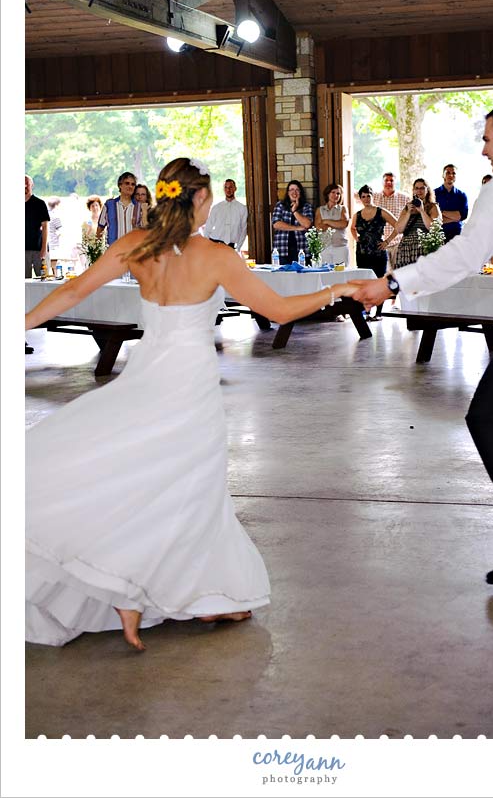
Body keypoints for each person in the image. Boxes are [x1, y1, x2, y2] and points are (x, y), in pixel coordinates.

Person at [25, 157, 358, 651]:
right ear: (199, 198)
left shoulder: (135, 245)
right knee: (189, 489)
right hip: (189, 385)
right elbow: (280, 310)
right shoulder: (216, 256)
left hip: (146, 375)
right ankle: (167, 592)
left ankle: (142, 591)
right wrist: (341, 288)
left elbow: (73, 290)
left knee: (145, 479)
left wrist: (18, 324)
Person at [351, 101, 493, 584]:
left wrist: (391, 284)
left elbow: (467, 255)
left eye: (488, 139)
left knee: (489, 418)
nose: (484, 149)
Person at [350, 184, 401, 321]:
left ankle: (378, 313)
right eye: (363, 196)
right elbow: (352, 229)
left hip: (378, 253)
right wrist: (357, 239)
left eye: (368, 196)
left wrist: (387, 241)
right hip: (362, 253)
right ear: (360, 198)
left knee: (380, 282)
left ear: (373, 196)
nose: (366, 199)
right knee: (365, 283)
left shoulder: (381, 211)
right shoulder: (357, 215)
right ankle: (366, 311)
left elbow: (398, 226)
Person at [25, 174, 50, 354]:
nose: (24, 186)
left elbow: (46, 227)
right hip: (21, 252)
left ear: (31, 185)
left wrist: (43, 250)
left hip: (37, 249)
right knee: (23, 285)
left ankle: (46, 314)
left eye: (26, 184)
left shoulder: (39, 203)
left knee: (45, 281)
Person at [393, 177, 442, 269]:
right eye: (416, 188)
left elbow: (434, 228)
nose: (419, 191)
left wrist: (422, 211)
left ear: (427, 190)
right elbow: (399, 229)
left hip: (424, 248)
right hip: (406, 249)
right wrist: (408, 213)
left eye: (422, 188)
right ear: (413, 190)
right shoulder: (407, 208)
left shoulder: (433, 207)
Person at [372, 172, 410, 269]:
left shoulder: (405, 198)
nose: (389, 182)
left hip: (398, 243)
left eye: (391, 180)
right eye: (386, 180)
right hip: (380, 244)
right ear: (382, 182)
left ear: (395, 182)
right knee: (384, 274)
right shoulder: (374, 197)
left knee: (398, 272)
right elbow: (357, 195)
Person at [272, 180, 314, 264]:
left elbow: (307, 224)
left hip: (302, 250)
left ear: (300, 192)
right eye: (291, 190)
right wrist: (297, 228)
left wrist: (294, 211)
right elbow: (276, 224)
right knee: (283, 276)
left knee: (302, 276)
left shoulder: (306, 206)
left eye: (297, 190)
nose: (294, 192)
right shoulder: (280, 205)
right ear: (288, 192)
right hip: (282, 249)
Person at [95, 171, 138, 246]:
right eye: (127, 183)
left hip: (133, 252)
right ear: (120, 185)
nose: (130, 186)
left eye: (133, 184)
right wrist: (97, 249)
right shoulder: (109, 205)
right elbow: (100, 228)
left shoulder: (138, 207)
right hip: (113, 251)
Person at [204, 178, 248, 251]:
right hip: (215, 243)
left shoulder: (242, 208)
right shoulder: (216, 208)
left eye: (231, 187)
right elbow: (208, 226)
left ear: (235, 189)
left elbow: (243, 229)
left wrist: (239, 247)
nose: (228, 190)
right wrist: (207, 244)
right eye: (226, 187)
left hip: (231, 246)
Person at [314, 183, 350, 267]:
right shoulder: (320, 210)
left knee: (342, 274)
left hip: (340, 247)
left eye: (338, 193)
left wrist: (326, 221)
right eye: (333, 192)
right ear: (328, 194)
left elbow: (344, 224)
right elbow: (318, 227)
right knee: (325, 275)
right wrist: (336, 224)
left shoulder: (343, 209)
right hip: (324, 247)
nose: (336, 195)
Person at [434, 164, 469, 242]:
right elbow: (433, 217)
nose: (451, 175)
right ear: (443, 175)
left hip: (457, 236)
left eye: (453, 173)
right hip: (438, 236)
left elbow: (462, 216)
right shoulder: (434, 194)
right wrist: (454, 217)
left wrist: (441, 212)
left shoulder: (462, 195)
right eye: (448, 173)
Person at [47, 199, 63, 276]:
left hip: (46, 245)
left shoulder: (45, 214)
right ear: (56, 206)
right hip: (54, 245)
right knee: (54, 268)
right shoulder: (56, 217)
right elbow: (60, 231)